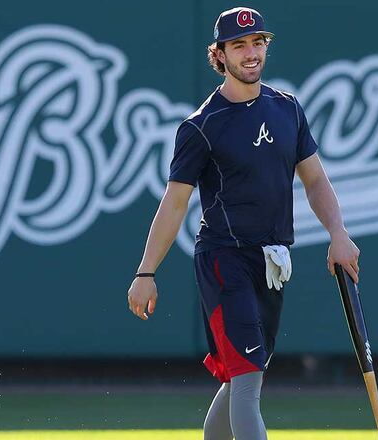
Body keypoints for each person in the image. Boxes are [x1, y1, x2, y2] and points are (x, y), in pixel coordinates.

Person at [126, 6, 360, 440]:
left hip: (271, 262)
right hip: (223, 261)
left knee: (241, 378)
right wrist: (146, 271)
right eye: (239, 46)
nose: (251, 53)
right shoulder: (201, 126)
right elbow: (174, 204)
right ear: (220, 54)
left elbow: (314, 180)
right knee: (249, 380)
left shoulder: (287, 108)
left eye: (258, 43)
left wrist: (338, 234)